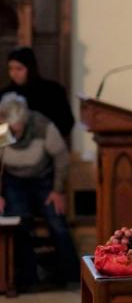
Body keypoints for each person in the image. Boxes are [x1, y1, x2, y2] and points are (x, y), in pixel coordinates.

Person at [0, 93, 80, 288]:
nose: (14, 133)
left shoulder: (42, 126)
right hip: (14, 181)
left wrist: (57, 190)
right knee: (18, 223)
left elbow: (61, 158)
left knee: (56, 221)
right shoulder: (1, 128)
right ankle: (27, 279)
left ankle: (73, 278)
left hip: (43, 180)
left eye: (17, 128)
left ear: (25, 120)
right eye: (10, 128)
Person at [2, 47, 75, 139]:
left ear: (30, 68)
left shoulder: (52, 91)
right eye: (10, 69)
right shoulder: (5, 95)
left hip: (45, 146)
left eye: (19, 69)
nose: (14, 73)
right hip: (13, 149)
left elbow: (66, 123)